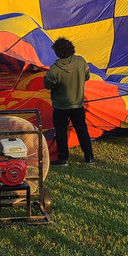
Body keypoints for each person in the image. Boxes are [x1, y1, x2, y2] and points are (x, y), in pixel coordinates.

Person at [43, 36, 94, 165]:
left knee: (61, 131)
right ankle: (89, 157)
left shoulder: (54, 69)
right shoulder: (81, 62)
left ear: (57, 52)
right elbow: (87, 76)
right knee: (82, 130)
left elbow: (48, 84)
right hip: (77, 104)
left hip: (61, 106)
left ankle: (63, 158)